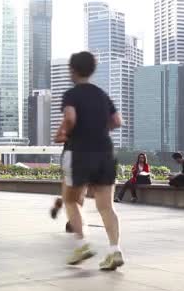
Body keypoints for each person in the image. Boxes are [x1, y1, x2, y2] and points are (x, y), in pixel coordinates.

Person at [55, 51, 124, 271]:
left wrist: (63, 133)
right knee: (106, 206)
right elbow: (117, 121)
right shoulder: (102, 95)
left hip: (79, 152)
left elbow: (70, 118)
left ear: (73, 70)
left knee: (70, 199)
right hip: (105, 151)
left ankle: (82, 244)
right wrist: (98, 129)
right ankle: (114, 251)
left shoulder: (72, 94)